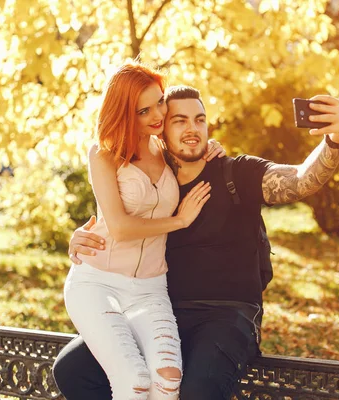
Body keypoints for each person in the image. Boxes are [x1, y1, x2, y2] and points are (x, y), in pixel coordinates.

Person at [54, 85, 339, 400]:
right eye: (179, 121)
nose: (192, 128)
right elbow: (118, 221)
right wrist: (80, 236)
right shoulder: (157, 183)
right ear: (160, 132)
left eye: (199, 119)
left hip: (228, 316)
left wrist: (335, 138)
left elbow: (300, 181)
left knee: (197, 393)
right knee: (72, 370)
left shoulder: (236, 172)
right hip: (161, 310)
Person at [62, 64, 226, 400]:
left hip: (151, 287)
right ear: (125, 112)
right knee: (135, 380)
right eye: (144, 110)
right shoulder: (104, 154)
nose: (158, 115)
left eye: (160, 103)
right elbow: (120, 229)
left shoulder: (165, 151)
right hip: (97, 281)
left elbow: (193, 147)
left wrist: (214, 147)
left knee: (167, 380)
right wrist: (179, 220)